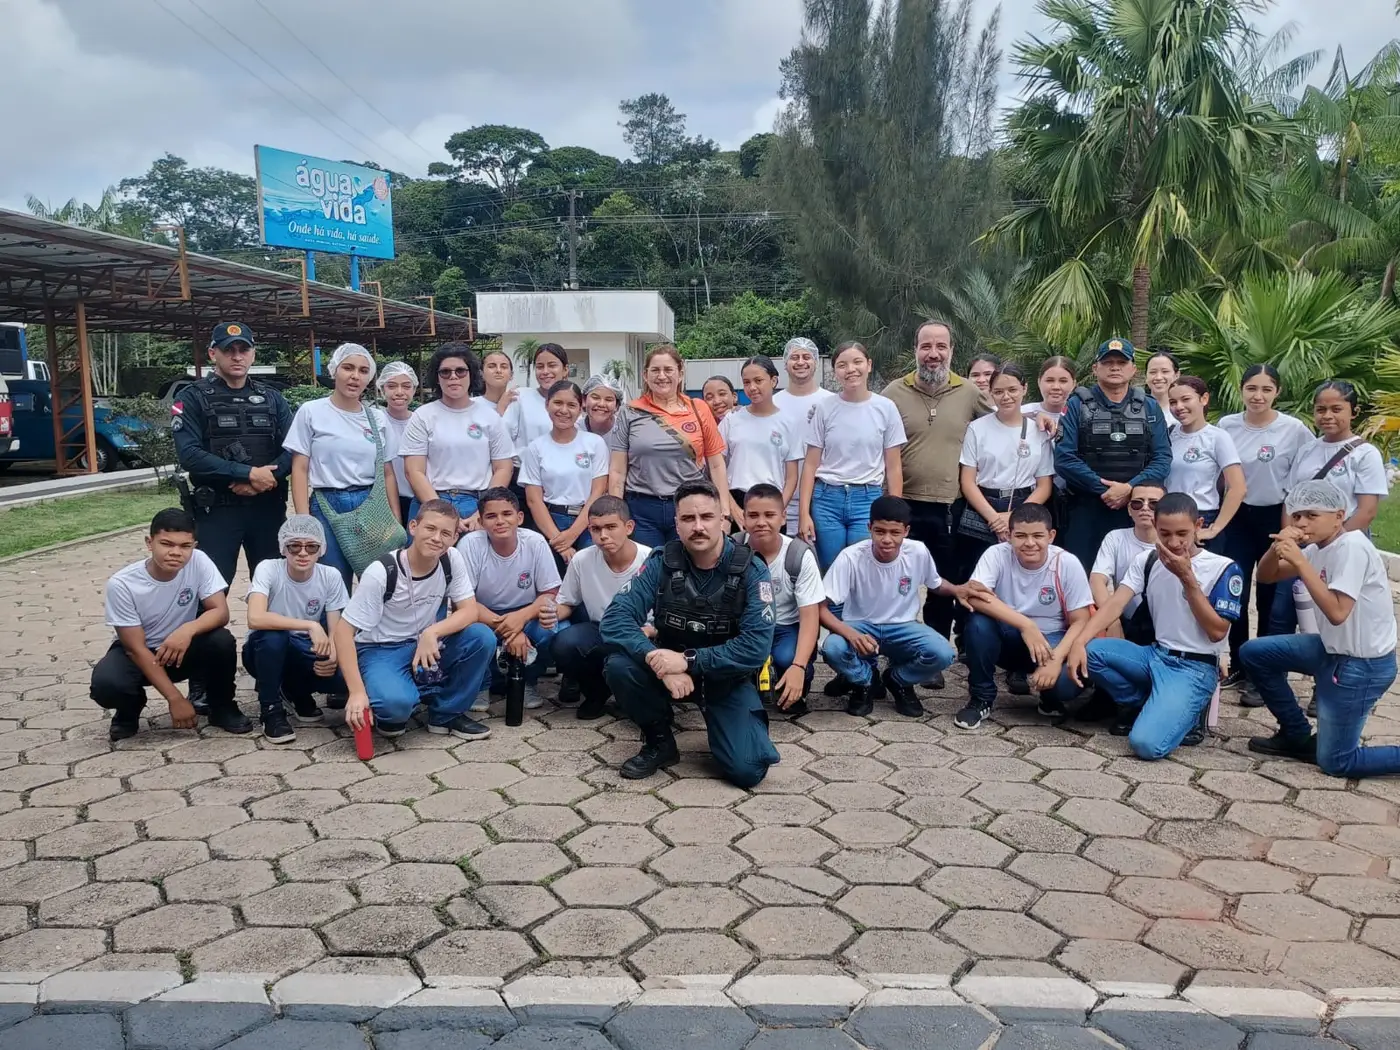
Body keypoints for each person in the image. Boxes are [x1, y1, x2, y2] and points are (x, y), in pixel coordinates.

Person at [599, 479, 780, 787]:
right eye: (688, 519)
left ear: (723, 518)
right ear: (677, 524)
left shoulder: (752, 570)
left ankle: (730, 726)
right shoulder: (661, 562)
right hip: (668, 669)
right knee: (619, 665)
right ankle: (660, 743)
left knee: (748, 770)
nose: (698, 527)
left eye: (706, 517)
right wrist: (656, 657)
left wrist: (687, 661)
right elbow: (615, 619)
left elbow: (755, 648)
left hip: (725, 678)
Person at [1068, 493, 1244, 760]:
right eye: (1165, 534)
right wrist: (1079, 642)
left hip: (1194, 667)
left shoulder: (1223, 568)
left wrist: (1187, 578)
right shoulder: (1148, 560)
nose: (1173, 543)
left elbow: (1217, 631)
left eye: (1182, 533)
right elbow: (1115, 604)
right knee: (1091, 651)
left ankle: (1192, 710)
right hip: (1155, 654)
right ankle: (1138, 702)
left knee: (1146, 745)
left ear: (1199, 525)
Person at [1242, 481, 1399, 776]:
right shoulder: (1317, 548)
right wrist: (1277, 549)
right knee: (1254, 653)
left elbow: (1337, 612)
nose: (1301, 523)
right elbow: (1265, 576)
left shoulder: (1352, 547)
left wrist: (1300, 561)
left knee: (1336, 762)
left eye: (1311, 516)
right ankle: (1296, 734)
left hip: (1362, 666)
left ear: (1339, 516)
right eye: (1297, 515)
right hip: (1329, 648)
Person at [880, 319, 991, 671]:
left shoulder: (969, 393)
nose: (933, 354)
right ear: (915, 349)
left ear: (951, 351)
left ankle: (935, 655)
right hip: (903, 504)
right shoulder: (892, 394)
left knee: (944, 580)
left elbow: (1004, 418)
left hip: (949, 506)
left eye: (941, 346)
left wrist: (1041, 420)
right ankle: (891, 651)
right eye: (926, 346)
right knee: (897, 581)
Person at [336, 499, 495, 741]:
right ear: (413, 527)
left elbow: (469, 610)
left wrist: (432, 633)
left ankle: (446, 714)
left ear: (453, 539)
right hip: (381, 648)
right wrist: (356, 692)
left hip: (425, 642)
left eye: (445, 533)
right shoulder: (382, 571)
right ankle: (396, 697)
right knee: (395, 709)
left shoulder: (451, 559)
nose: (436, 538)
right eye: (430, 529)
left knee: (481, 637)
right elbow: (343, 632)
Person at [91, 508, 248, 741]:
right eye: (166, 544)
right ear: (149, 542)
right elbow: (135, 648)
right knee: (107, 684)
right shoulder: (122, 583)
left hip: (181, 649)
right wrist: (175, 698)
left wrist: (186, 630)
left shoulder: (199, 561)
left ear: (194, 545)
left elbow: (220, 611)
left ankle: (222, 706)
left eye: (185, 546)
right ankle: (129, 709)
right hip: (140, 653)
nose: (176, 553)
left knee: (221, 641)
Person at [820, 496, 969, 718]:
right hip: (861, 626)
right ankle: (865, 681)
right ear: (869, 527)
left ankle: (898, 680)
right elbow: (820, 607)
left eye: (895, 532)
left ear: (906, 531)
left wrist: (958, 590)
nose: (887, 539)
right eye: (880, 531)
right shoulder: (850, 557)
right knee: (832, 648)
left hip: (902, 626)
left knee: (943, 653)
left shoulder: (918, 551)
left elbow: (935, 584)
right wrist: (850, 634)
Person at [171, 322, 293, 590]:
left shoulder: (272, 398)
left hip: (267, 509)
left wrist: (267, 478)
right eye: (229, 350)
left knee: (277, 592)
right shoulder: (190, 398)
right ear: (213, 354)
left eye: (243, 349)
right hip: (216, 512)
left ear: (253, 354)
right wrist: (248, 474)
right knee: (209, 593)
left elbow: (294, 448)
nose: (237, 356)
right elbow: (190, 455)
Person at [1217, 365, 1314, 692]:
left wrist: (1299, 525)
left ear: (1277, 392)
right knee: (1236, 592)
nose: (1258, 396)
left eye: (1266, 389)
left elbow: (1309, 475)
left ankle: (1267, 669)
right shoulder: (1227, 425)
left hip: (1278, 517)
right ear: (1242, 390)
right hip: (1239, 518)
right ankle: (1240, 663)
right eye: (1251, 388)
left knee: (1272, 597)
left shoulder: (1295, 429)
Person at [1269, 380, 1391, 635]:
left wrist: (1328, 542)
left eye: (1336, 409)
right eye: (1321, 409)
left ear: (1353, 412)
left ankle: (1334, 670)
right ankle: (1275, 670)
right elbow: (1291, 500)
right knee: (1281, 613)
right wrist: (1288, 539)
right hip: (1301, 543)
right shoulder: (1306, 450)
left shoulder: (1365, 454)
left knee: (1334, 612)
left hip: (1342, 544)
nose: (1327, 416)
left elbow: (1366, 511)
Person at [957, 503, 1094, 729]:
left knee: (1065, 686)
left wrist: (1056, 658)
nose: (1029, 543)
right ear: (1009, 536)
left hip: (1053, 639)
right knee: (977, 623)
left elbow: (1081, 619)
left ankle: (1050, 697)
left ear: (1051, 536)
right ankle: (981, 698)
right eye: (1020, 536)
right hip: (1009, 635)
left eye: (1037, 536)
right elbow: (973, 596)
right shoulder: (996, 554)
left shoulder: (1066, 562)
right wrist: (1026, 625)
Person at [956, 363, 1056, 652]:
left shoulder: (1038, 429)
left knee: (1019, 573)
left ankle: (1017, 647)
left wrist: (1013, 518)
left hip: (1025, 507)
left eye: (1012, 389)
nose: (1006, 396)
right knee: (976, 574)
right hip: (982, 506)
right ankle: (970, 642)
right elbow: (968, 481)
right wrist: (993, 517)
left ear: (1025, 389)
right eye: (998, 391)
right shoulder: (977, 428)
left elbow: (1044, 485)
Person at [287, 343, 401, 588]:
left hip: (371, 505)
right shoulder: (311, 412)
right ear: (334, 371)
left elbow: (388, 472)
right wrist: (305, 522)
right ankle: (331, 627)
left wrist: (394, 519)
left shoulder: (378, 418)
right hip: (328, 505)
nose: (354, 376)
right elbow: (300, 469)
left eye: (362, 371)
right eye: (347, 368)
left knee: (378, 582)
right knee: (331, 580)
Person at [1055, 337, 1172, 576]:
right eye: (1108, 362)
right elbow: (1064, 458)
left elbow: (1162, 459)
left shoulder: (1150, 407)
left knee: (1139, 579)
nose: (1115, 367)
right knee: (1081, 579)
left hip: (1137, 510)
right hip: (1086, 509)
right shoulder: (1077, 405)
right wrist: (1104, 489)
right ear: (1095, 368)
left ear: (1133, 369)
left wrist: (1129, 488)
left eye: (1122, 362)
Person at [609, 345, 735, 547]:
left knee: (691, 571)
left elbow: (717, 465)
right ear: (645, 375)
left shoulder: (698, 408)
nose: (662, 376)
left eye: (668, 370)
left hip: (691, 506)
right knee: (649, 571)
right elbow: (617, 470)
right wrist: (615, 515)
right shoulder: (629, 412)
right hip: (642, 510)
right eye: (655, 370)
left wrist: (725, 514)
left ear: (680, 373)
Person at [799, 341, 907, 570]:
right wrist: (803, 514)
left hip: (867, 499)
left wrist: (895, 514)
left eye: (857, 362)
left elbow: (894, 466)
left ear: (868, 365)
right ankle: (833, 609)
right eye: (842, 365)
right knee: (830, 568)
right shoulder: (824, 408)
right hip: (827, 500)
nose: (850, 369)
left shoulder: (886, 408)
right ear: (834, 371)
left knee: (863, 567)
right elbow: (810, 465)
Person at [242, 515, 349, 744]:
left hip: (302, 649)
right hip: (262, 650)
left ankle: (294, 690)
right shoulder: (268, 568)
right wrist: (310, 624)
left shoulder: (330, 576)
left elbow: (336, 629)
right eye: (294, 546)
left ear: (321, 549)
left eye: (311, 547)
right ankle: (270, 710)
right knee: (274, 637)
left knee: (341, 679)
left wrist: (333, 655)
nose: (303, 553)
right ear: (283, 547)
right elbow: (255, 617)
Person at [455, 488, 563, 708]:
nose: (500, 521)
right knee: (474, 634)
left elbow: (550, 593)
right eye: (491, 516)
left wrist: (520, 620)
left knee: (550, 625)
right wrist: (510, 629)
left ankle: (528, 682)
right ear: (482, 521)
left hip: (525, 610)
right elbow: (464, 602)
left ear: (520, 518)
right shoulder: (469, 545)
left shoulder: (535, 542)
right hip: (481, 613)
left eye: (507, 514)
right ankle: (481, 685)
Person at [547, 495, 652, 720]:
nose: (603, 536)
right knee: (564, 644)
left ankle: (636, 698)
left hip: (643, 632)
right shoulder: (582, 559)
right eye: (596, 529)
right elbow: (567, 602)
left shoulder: (651, 559)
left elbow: (666, 613)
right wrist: (551, 613)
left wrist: (651, 630)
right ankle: (596, 693)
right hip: (601, 628)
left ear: (629, 527)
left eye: (611, 527)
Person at [401, 343, 514, 531]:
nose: (453, 377)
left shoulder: (490, 417)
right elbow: (413, 472)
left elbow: (503, 467)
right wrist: (441, 512)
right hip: (431, 501)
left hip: (477, 503)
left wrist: (484, 510)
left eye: (461, 371)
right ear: (437, 378)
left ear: (471, 374)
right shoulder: (423, 416)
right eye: (445, 372)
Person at [742, 484, 824, 717]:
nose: (761, 522)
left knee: (788, 658)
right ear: (744, 517)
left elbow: (810, 617)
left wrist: (799, 666)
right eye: (753, 515)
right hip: (746, 626)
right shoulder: (734, 548)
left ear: (783, 517)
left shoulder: (798, 555)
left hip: (786, 627)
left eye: (769, 515)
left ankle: (798, 685)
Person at [521, 380, 610, 571]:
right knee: (553, 587)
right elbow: (533, 500)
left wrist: (572, 534)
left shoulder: (595, 443)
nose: (564, 410)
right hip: (550, 522)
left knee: (589, 581)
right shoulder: (535, 448)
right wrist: (558, 540)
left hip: (589, 522)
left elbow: (598, 492)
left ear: (581, 408)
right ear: (547, 405)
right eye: (558, 403)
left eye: (571, 405)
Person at [1166, 376, 1246, 547]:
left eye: (1186, 399)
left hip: (1201, 517)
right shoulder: (1168, 434)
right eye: (1173, 402)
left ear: (1204, 399)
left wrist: (1214, 529)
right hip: (1168, 517)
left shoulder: (1218, 437)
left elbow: (1238, 488)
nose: (1179, 407)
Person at [720, 357, 803, 514]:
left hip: (772, 501)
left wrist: (778, 510)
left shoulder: (790, 423)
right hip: (736, 502)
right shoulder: (731, 419)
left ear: (773, 380)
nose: (752, 387)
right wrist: (733, 508)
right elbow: (717, 467)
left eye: (758, 380)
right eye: (746, 382)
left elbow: (792, 477)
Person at [772, 336, 836, 535]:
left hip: (823, 499)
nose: (800, 362)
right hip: (780, 497)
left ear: (815, 362)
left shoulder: (831, 402)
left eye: (806, 357)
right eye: (794, 357)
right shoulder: (773, 403)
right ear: (785, 364)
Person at [377, 362, 420, 523]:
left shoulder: (422, 421)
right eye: (392, 386)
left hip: (418, 498)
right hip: (383, 502)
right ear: (382, 389)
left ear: (414, 389)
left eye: (406, 386)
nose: (399, 392)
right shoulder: (375, 421)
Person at [516, 343, 572, 449]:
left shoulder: (574, 403)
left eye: (552, 365)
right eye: (540, 367)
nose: (545, 371)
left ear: (565, 370)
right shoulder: (520, 397)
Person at [1022, 356, 1076, 422]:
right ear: (1039, 382)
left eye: (1063, 381)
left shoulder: (1082, 416)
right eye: (1050, 380)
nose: (1056, 387)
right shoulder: (1022, 413)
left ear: (1073, 384)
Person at [1145, 350, 1181, 421]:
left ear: (1177, 375)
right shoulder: (1134, 410)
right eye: (1153, 372)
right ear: (1146, 377)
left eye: (1165, 371)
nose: (1158, 377)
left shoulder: (1184, 411)